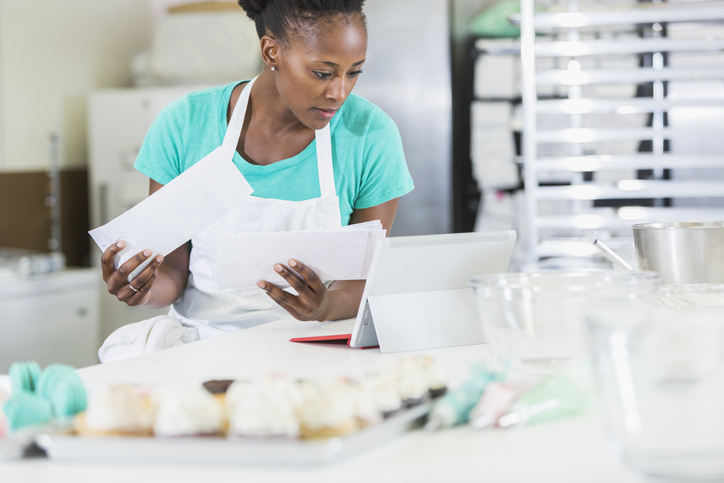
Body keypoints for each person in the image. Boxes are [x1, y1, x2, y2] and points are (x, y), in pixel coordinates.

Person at [97, 0, 414, 363]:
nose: (340, 92)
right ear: (271, 51)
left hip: (315, 350)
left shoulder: (370, 135)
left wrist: (324, 306)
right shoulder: (185, 126)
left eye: (354, 72)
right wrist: (142, 287)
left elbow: (364, 279)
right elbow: (171, 271)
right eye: (323, 73)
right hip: (202, 349)